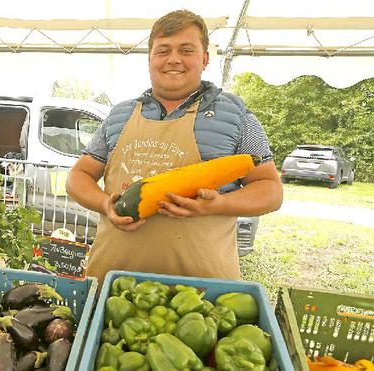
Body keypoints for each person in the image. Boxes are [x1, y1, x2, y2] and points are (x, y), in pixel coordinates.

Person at [66, 10, 283, 284]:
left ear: (204, 59)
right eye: (163, 50)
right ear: (150, 60)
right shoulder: (118, 115)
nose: (174, 59)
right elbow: (78, 177)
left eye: (186, 49)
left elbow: (271, 190)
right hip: (112, 282)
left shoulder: (237, 117)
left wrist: (219, 204)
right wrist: (104, 204)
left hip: (199, 298)